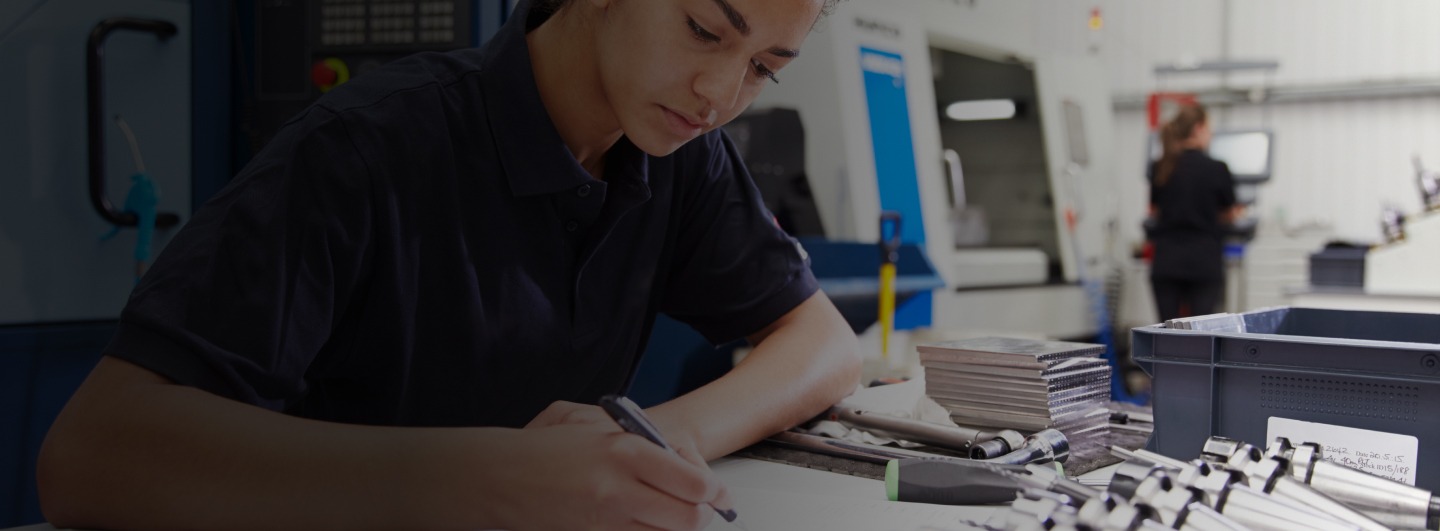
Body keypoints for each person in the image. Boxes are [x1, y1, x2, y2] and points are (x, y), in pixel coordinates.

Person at [37, 0, 861, 529]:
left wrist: (657, 437)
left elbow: (822, 340)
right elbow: (90, 453)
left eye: (762, 69)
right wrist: (487, 479)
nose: (720, 93)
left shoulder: (682, 155)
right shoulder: (368, 148)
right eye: (703, 30)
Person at [1146, 104, 1244, 322]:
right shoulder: (1216, 168)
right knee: (1200, 335)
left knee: (1166, 333)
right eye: (1209, 129)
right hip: (1203, 262)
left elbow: (1155, 211)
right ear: (1198, 128)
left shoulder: (1160, 166)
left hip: (1166, 262)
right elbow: (1229, 213)